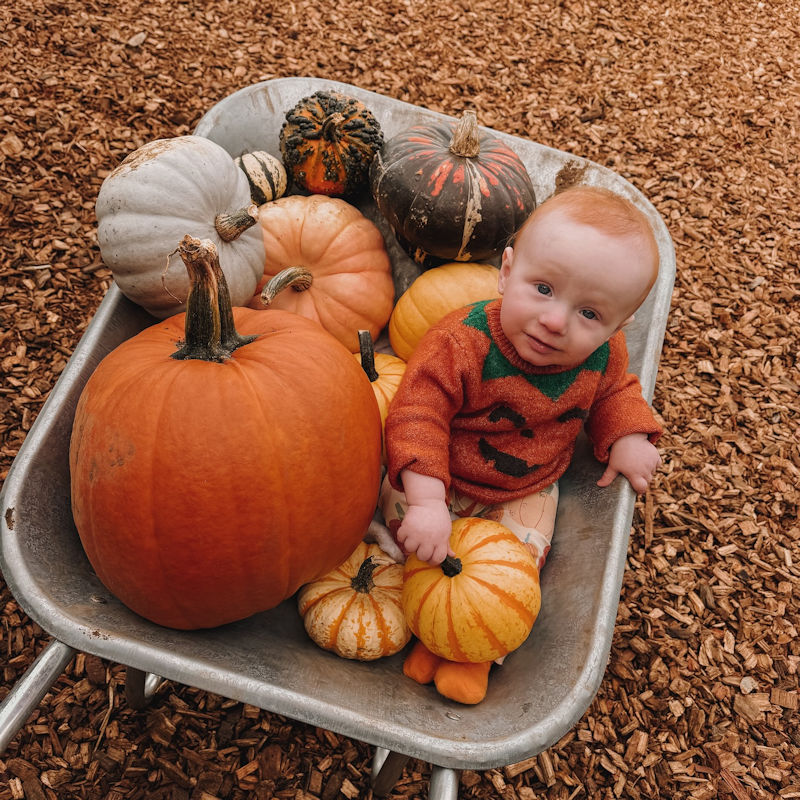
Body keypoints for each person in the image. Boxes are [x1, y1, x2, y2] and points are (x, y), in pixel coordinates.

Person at [379, 184, 664, 704]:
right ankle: (428, 630)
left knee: (514, 571)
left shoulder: (603, 355)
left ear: (617, 326)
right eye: (545, 289)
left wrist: (626, 433)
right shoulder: (461, 343)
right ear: (506, 271)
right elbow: (417, 415)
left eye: (590, 315)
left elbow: (616, 391)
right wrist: (425, 502)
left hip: (526, 486)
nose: (555, 322)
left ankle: (476, 652)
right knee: (412, 547)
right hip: (438, 476)